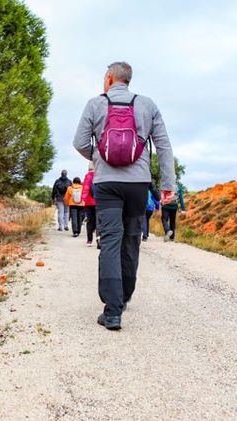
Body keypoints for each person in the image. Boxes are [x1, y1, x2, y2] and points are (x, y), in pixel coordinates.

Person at [73, 61, 176, 330]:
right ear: (128, 80)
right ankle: (124, 296)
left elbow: (80, 142)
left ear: (109, 79)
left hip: (106, 183)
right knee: (131, 238)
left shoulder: (95, 104)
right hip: (138, 183)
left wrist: (99, 156)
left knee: (109, 241)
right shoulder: (148, 105)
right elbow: (164, 145)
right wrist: (168, 185)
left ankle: (112, 310)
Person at [81, 163, 98, 247]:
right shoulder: (100, 175)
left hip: (89, 202)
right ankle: (99, 240)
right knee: (99, 220)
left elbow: (86, 187)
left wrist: (83, 199)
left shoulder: (88, 175)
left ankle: (89, 240)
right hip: (99, 201)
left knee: (90, 221)